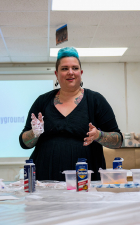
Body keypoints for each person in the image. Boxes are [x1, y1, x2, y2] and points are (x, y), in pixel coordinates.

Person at [19, 47, 122, 181]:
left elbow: (118, 141)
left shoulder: (96, 101)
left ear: (81, 72)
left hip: (85, 180)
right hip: (45, 179)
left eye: (75, 68)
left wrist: (99, 135)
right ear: (56, 74)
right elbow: (24, 142)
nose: (70, 72)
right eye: (64, 68)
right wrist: (34, 133)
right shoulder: (42, 101)